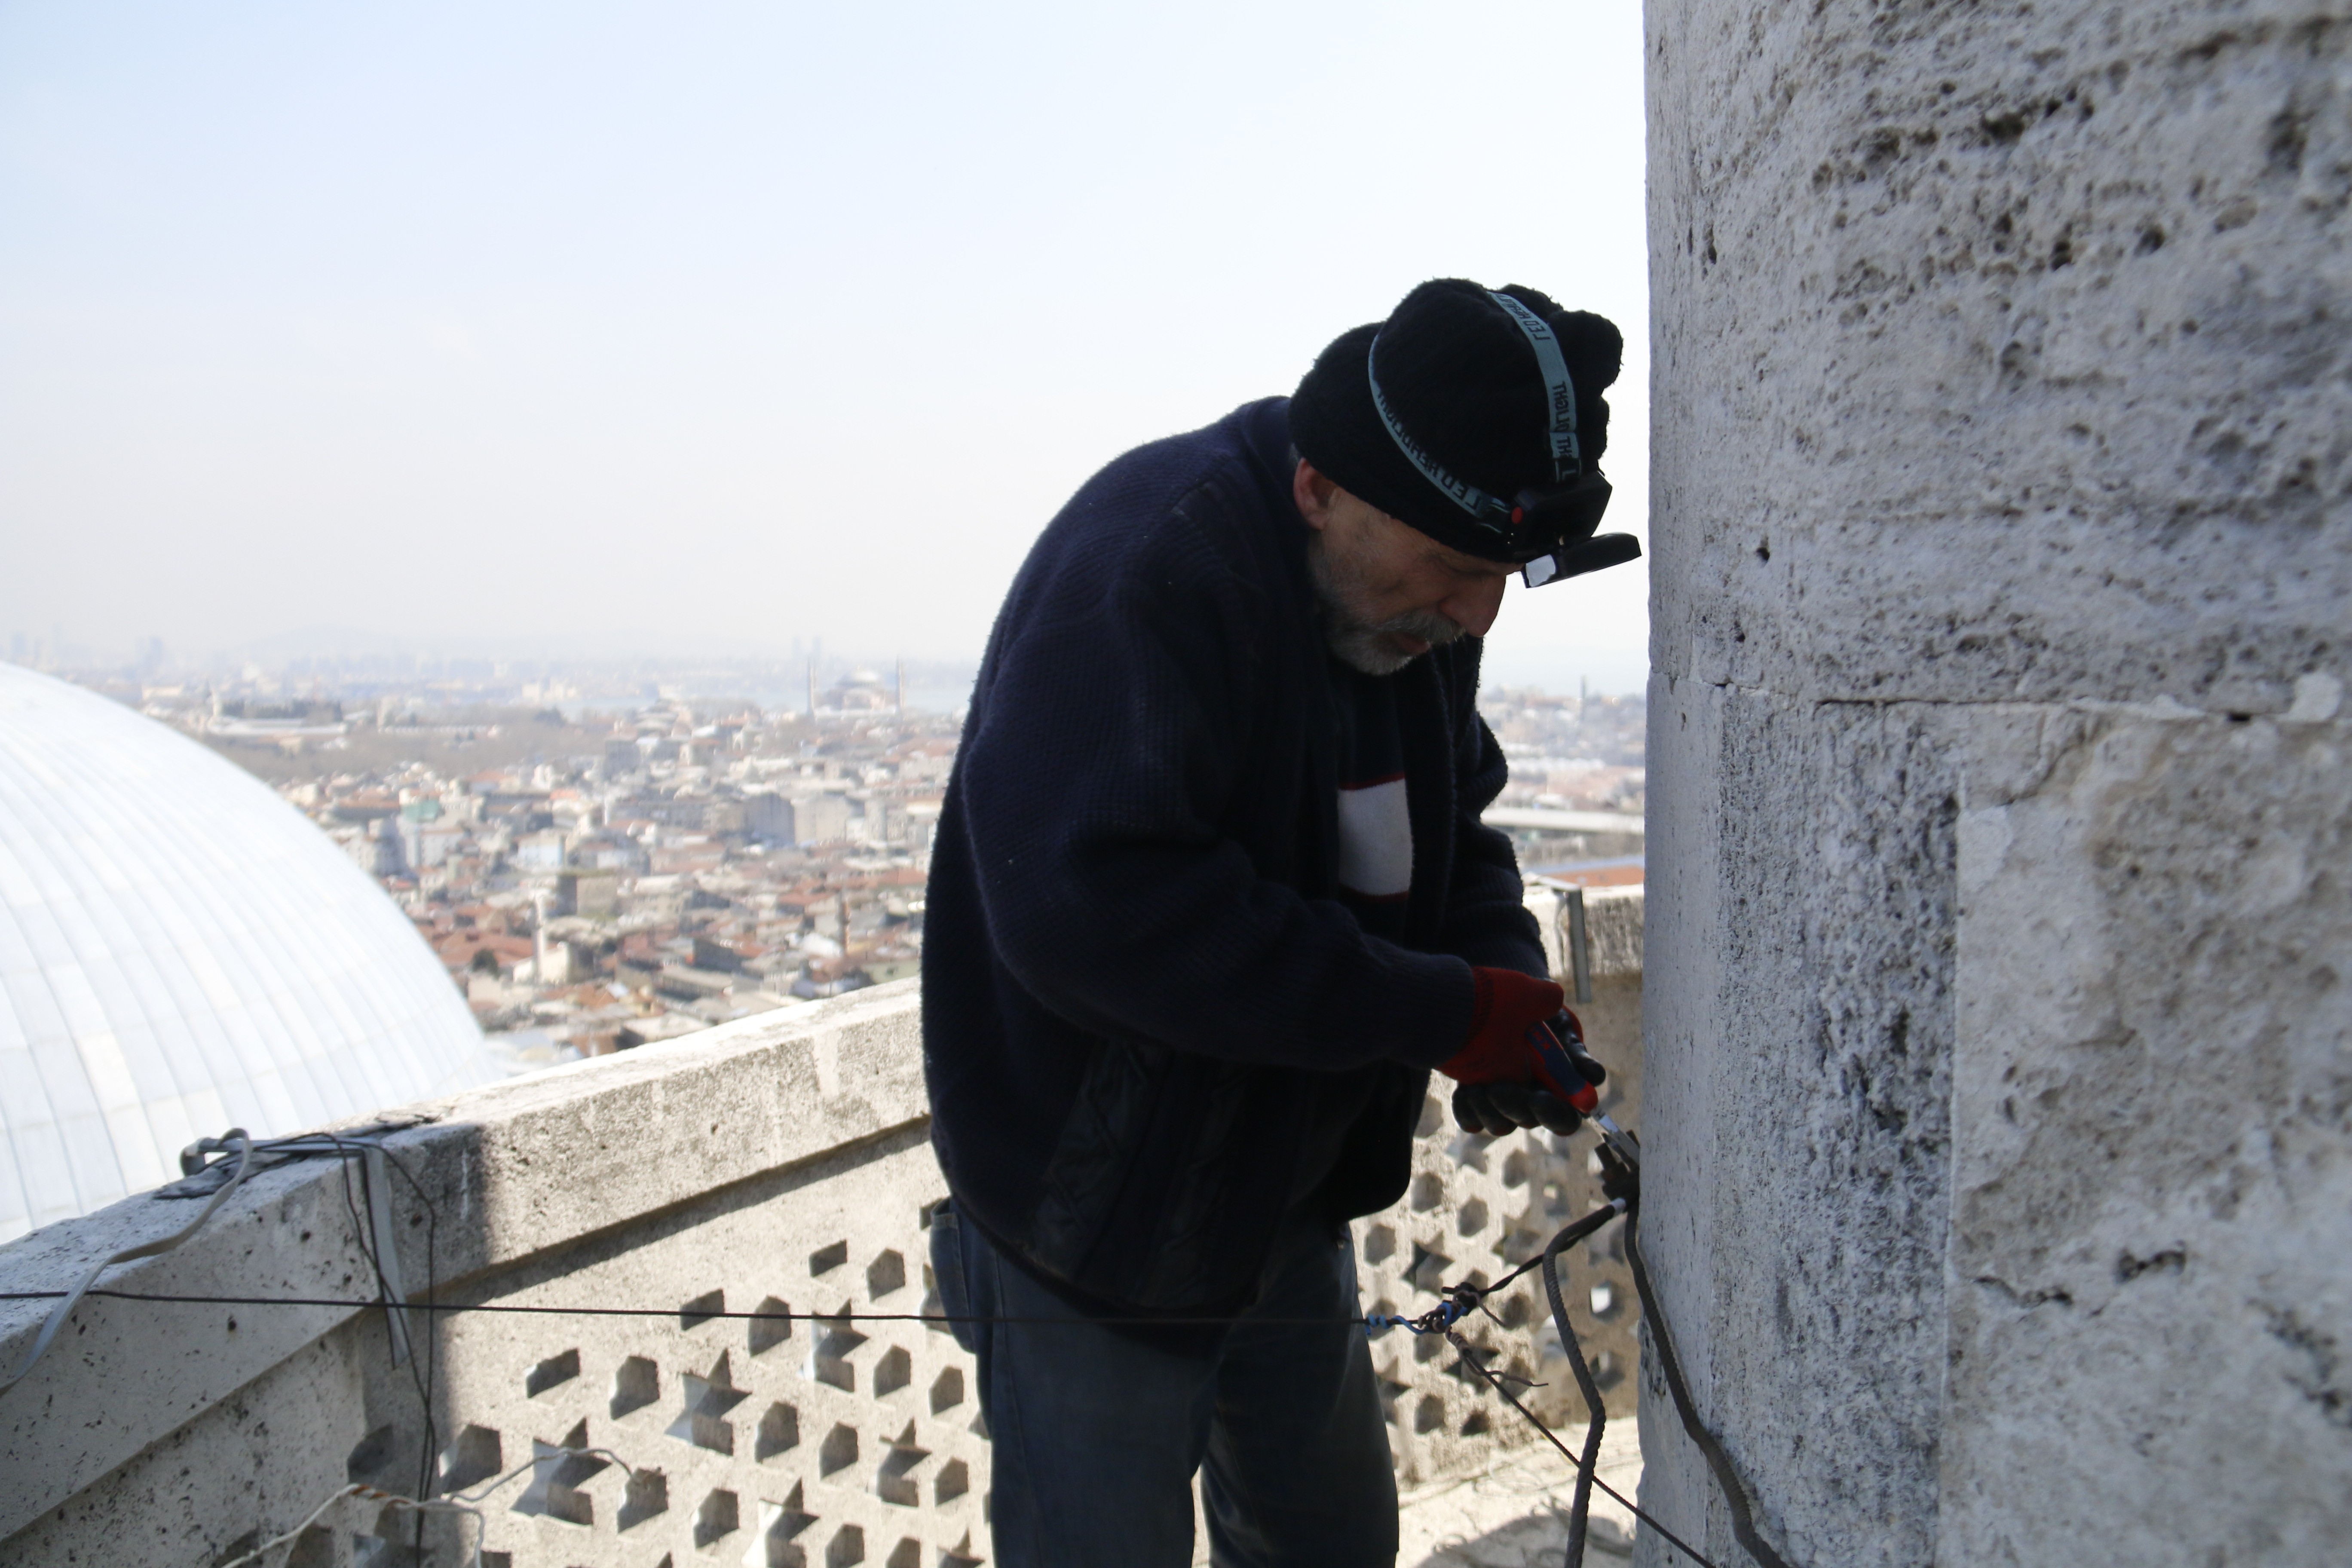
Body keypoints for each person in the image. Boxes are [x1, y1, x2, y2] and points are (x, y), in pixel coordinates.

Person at [922, 279, 1630, 1567]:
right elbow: (1100, 911)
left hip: (1280, 1203)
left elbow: (1453, 830)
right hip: (1096, 1226)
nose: (1477, 615)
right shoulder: (1153, 560)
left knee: (1330, 1542)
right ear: (1320, 491)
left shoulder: (1405, 594)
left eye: (1496, 579)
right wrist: (1438, 1011)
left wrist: (1499, 982)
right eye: (1458, 572)